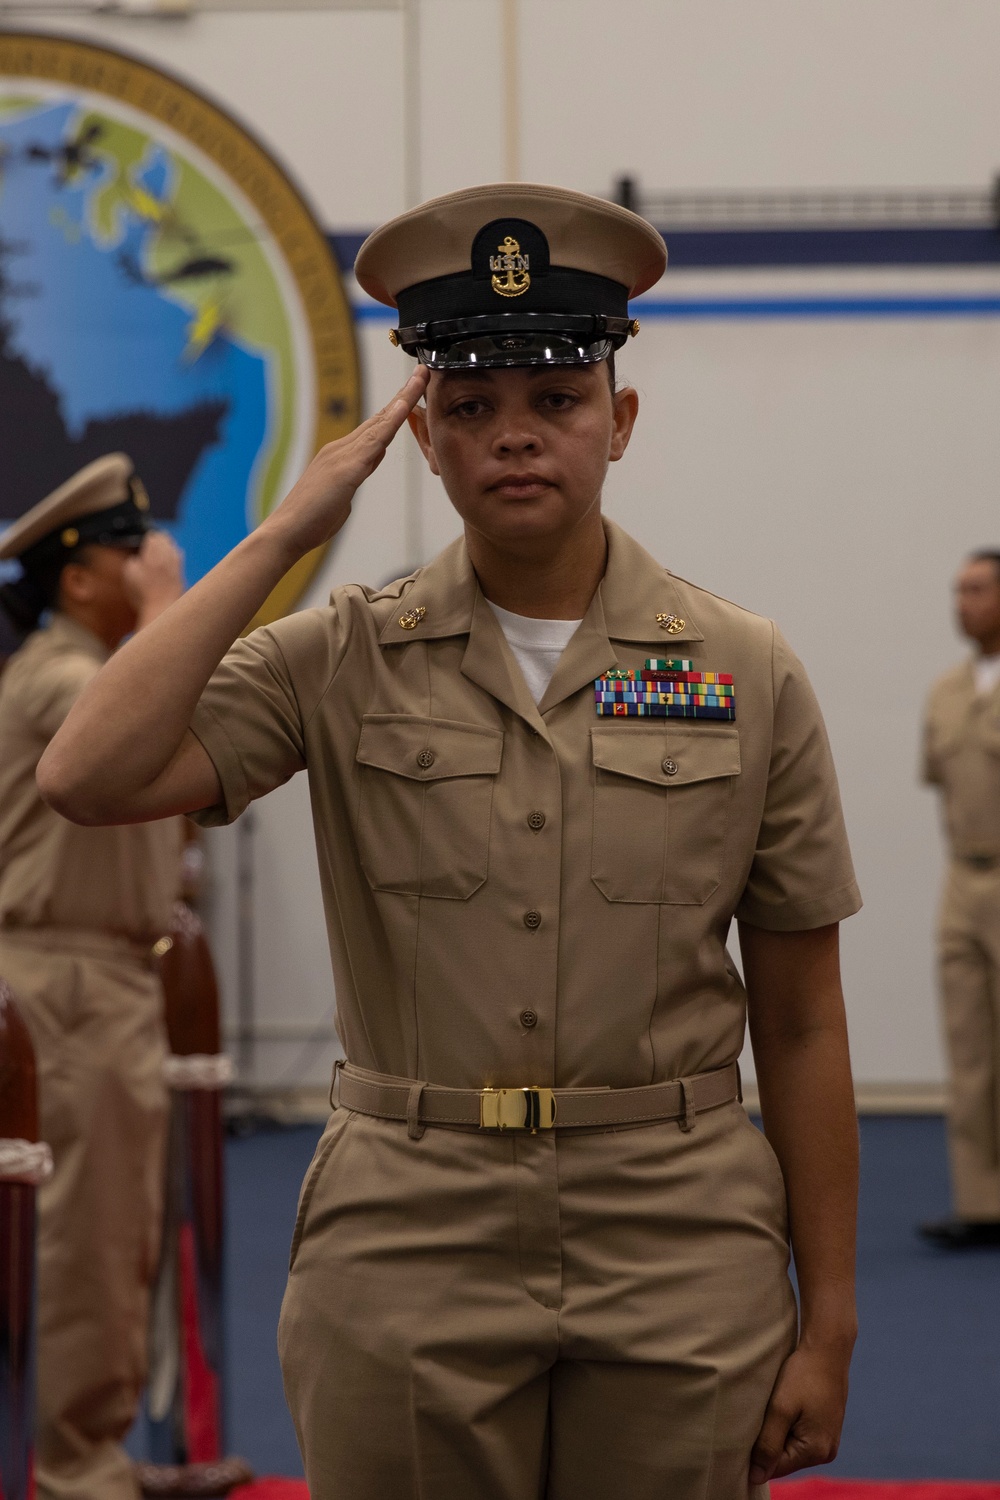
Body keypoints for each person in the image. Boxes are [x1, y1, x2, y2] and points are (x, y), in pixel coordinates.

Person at [39, 185, 861, 1500]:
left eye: (557, 400)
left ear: (621, 421)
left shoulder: (743, 669)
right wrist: (283, 536)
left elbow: (806, 1018)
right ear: (421, 436)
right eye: (470, 407)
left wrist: (829, 1322)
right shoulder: (342, 655)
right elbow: (85, 772)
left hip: (678, 1233)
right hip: (409, 1237)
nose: (516, 438)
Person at [0, 454, 185, 1500]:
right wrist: (169, 613)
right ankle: (75, 1469)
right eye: (132, 552)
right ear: (79, 577)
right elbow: (151, 705)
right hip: (65, 978)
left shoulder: (84, 667)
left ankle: (91, 1450)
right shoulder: (62, 677)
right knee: (83, 1236)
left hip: (98, 975)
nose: (154, 564)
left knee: (118, 1229)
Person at [920, 550, 1000, 1249]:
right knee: (970, 1045)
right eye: (958, 591)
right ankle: (981, 1203)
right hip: (964, 879)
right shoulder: (947, 691)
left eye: (976, 590)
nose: (962, 602)